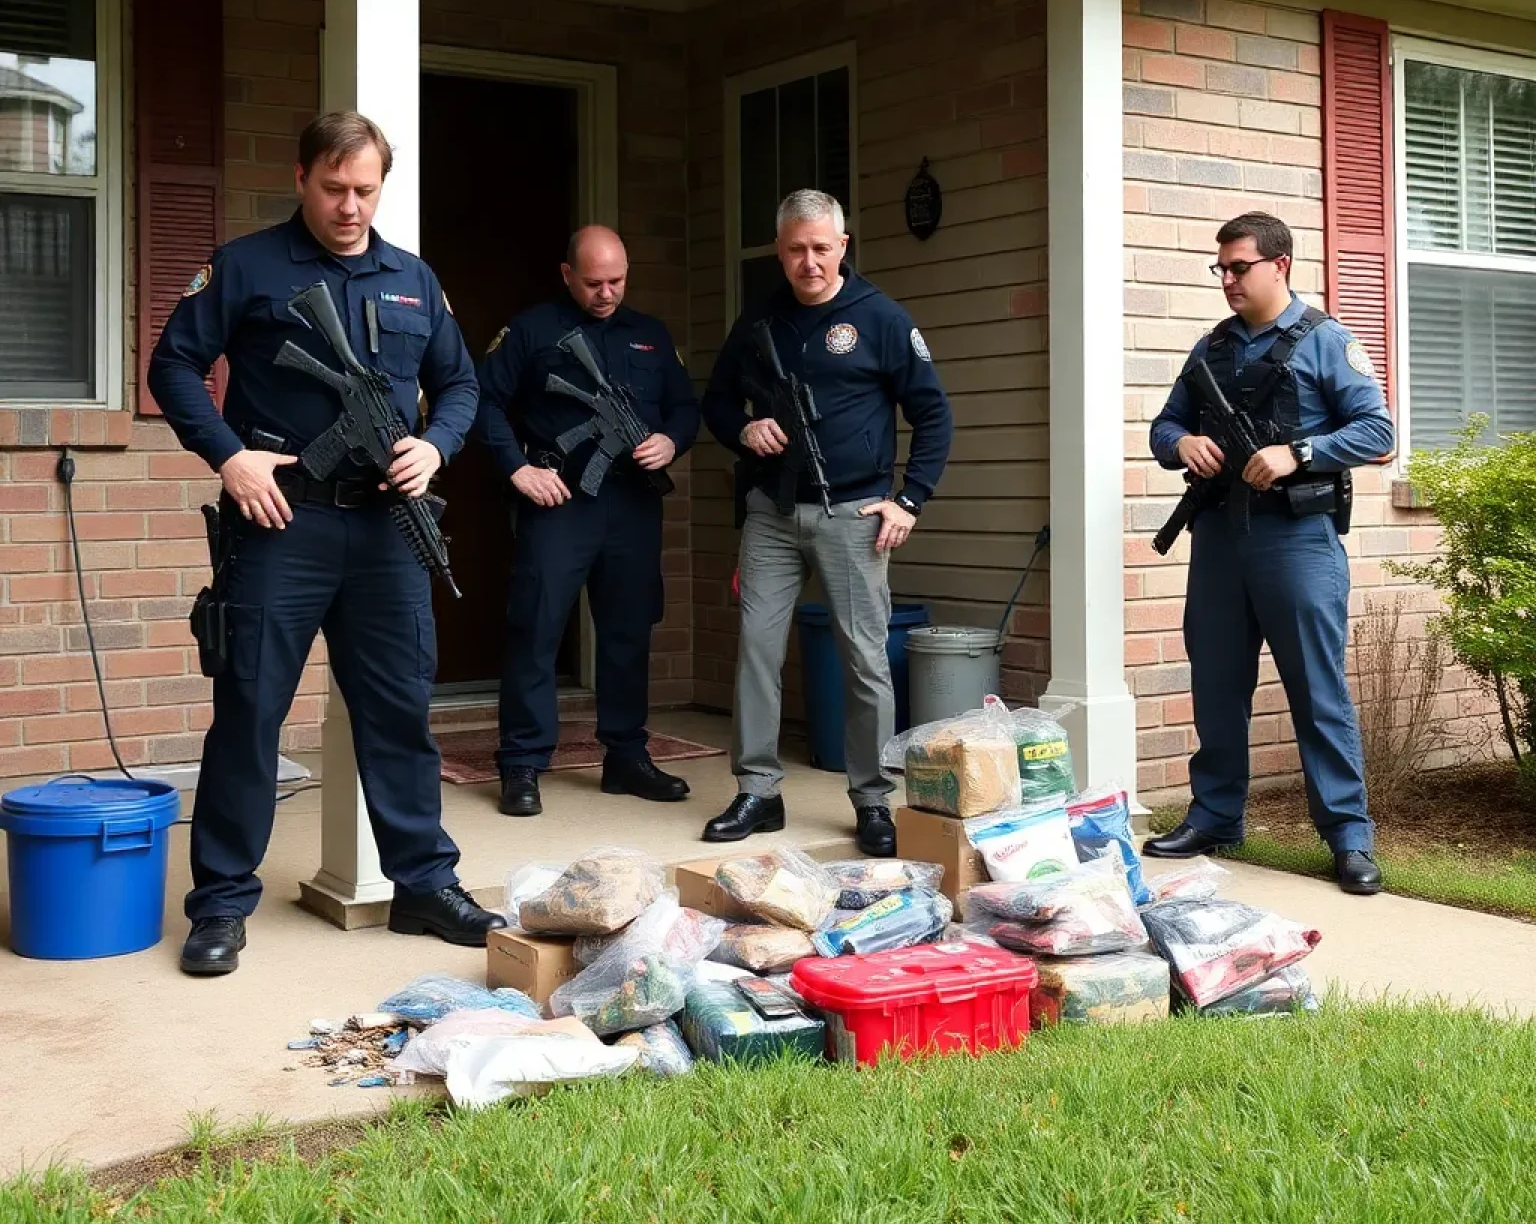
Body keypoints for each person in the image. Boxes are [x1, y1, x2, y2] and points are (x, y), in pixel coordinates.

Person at [147, 112, 505, 975]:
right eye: (335, 188)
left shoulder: (414, 278)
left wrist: (437, 444)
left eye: (366, 190)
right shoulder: (246, 266)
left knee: (397, 713)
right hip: (282, 523)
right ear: (303, 176)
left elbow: (460, 383)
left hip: (387, 529)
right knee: (250, 712)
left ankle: (421, 884)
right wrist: (231, 459)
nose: (350, 206)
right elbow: (172, 367)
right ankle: (222, 905)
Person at [1143, 210, 1395, 895]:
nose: (1226, 279)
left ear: (1279, 265)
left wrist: (1300, 453)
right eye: (1219, 267)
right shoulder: (1211, 349)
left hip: (1296, 541)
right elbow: (1164, 425)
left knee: (1317, 691)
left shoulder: (1326, 341)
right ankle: (1216, 817)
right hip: (1220, 538)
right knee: (1217, 684)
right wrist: (1179, 445)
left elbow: (1379, 433)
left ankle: (1348, 837)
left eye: (1238, 266)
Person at [700, 188, 953, 858]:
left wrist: (911, 499)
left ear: (842, 246)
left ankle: (873, 800)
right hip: (772, 515)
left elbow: (934, 415)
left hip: (855, 516)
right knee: (756, 648)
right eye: (795, 249)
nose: (808, 261)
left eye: (820, 247)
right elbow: (718, 400)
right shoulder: (761, 319)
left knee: (864, 660)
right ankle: (758, 789)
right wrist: (743, 428)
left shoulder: (881, 319)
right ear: (779, 251)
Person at [475, 226, 700, 817]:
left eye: (617, 281)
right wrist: (517, 469)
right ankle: (522, 762)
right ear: (567, 274)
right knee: (536, 627)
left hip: (631, 503)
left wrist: (670, 441)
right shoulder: (531, 331)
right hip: (559, 499)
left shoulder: (650, 334)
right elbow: (483, 401)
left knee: (629, 629)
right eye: (595, 282)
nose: (607, 293)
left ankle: (625, 756)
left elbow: (685, 406)